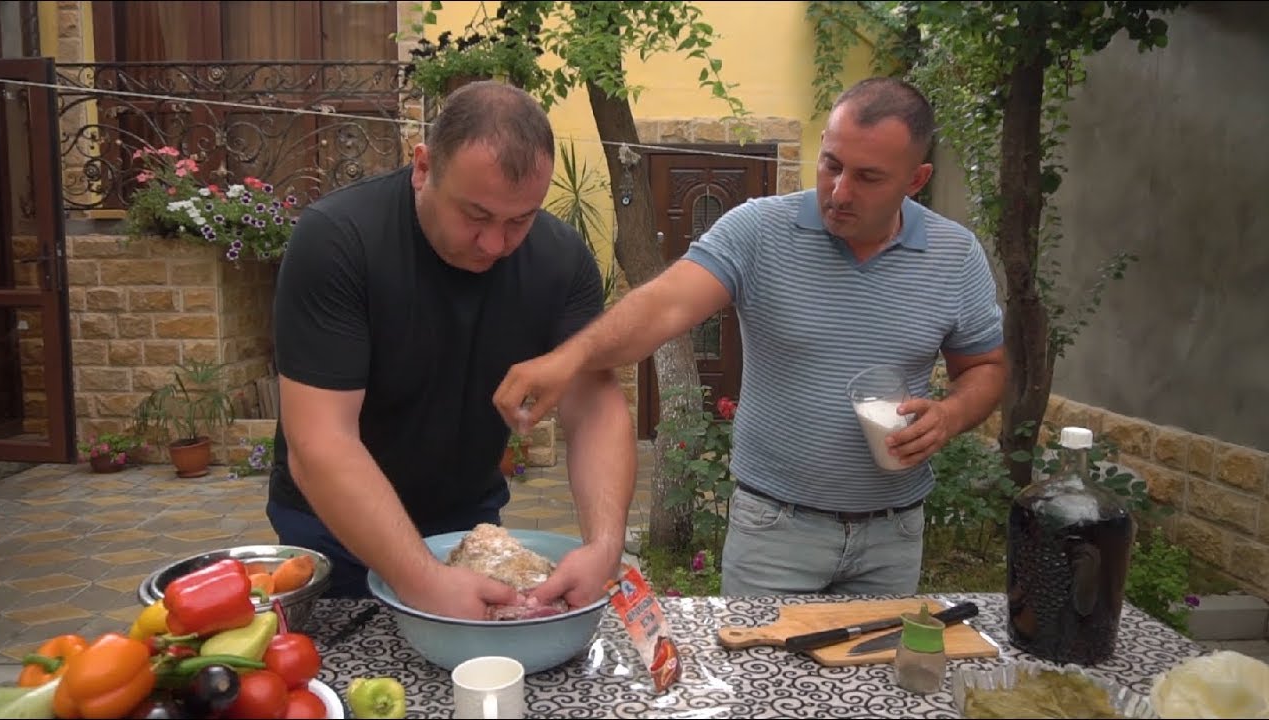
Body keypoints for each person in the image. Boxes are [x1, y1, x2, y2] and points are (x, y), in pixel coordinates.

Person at [493, 77, 1007, 597]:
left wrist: (950, 415)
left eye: (869, 177)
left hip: (892, 537)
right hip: (774, 535)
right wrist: (573, 356)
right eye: (831, 164)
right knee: (755, 655)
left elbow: (984, 368)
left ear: (916, 179)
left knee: (874, 656)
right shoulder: (759, 231)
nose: (839, 191)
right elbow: (664, 304)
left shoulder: (955, 255)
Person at [265, 80, 637, 620]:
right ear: (423, 167)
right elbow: (320, 441)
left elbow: (595, 406)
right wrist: (421, 578)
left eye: (520, 219)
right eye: (476, 216)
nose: (495, 244)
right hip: (334, 531)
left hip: (468, 528)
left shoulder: (561, 259)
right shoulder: (338, 240)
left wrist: (604, 544)